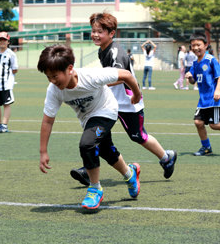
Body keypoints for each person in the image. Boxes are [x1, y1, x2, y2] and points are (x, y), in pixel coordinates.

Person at [70, 13, 177, 187]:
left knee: (138, 136)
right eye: (93, 31)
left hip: (129, 103)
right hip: (109, 103)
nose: (95, 35)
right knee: (98, 135)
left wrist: (96, 84)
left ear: (112, 33)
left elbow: (121, 77)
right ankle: (88, 171)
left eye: (100, 31)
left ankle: (166, 157)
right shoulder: (102, 50)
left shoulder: (115, 53)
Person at [37, 44, 142, 210]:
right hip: (88, 120)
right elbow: (47, 121)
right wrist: (43, 151)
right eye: (48, 77)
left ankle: (94, 189)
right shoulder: (54, 90)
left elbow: (127, 75)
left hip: (107, 110)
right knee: (107, 151)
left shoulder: (91, 76)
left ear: (70, 68)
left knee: (87, 144)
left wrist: (136, 94)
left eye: (55, 76)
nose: (52, 81)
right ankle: (130, 174)